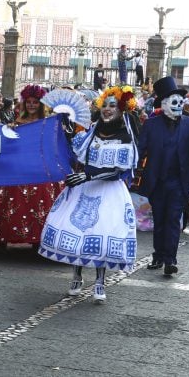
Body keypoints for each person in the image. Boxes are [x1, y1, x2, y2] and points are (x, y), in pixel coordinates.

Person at [38, 85, 139, 303]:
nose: (108, 109)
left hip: (108, 191)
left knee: (102, 234)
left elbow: (118, 170)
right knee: (79, 230)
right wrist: (64, 129)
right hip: (84, 188)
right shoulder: (92, 131)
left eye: (113, 106)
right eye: (105, 105)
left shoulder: (124, 136)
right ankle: (77, 275)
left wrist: (88, 176)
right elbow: (78, 156)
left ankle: (100, 281)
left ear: (121, 110)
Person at [0, 85, 63, 251]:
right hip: (18, 164)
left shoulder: (48, 124)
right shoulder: (16, 123)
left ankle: (39, 239)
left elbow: (52, 146)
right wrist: (9, 133)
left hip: (39, 164)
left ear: (41, 104)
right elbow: (9, 145)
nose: (32, 105)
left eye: (35, 102)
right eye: (29, 102)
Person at [138, 76, 189, 276]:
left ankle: (170, 259)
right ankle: (158, 255)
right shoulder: (151, 125)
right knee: (159, 220)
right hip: (157, 181)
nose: (179, 105)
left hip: (179, 181)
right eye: (174, 101)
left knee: (174, 220)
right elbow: (140, 152)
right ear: (164, 104)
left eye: (180, 102)